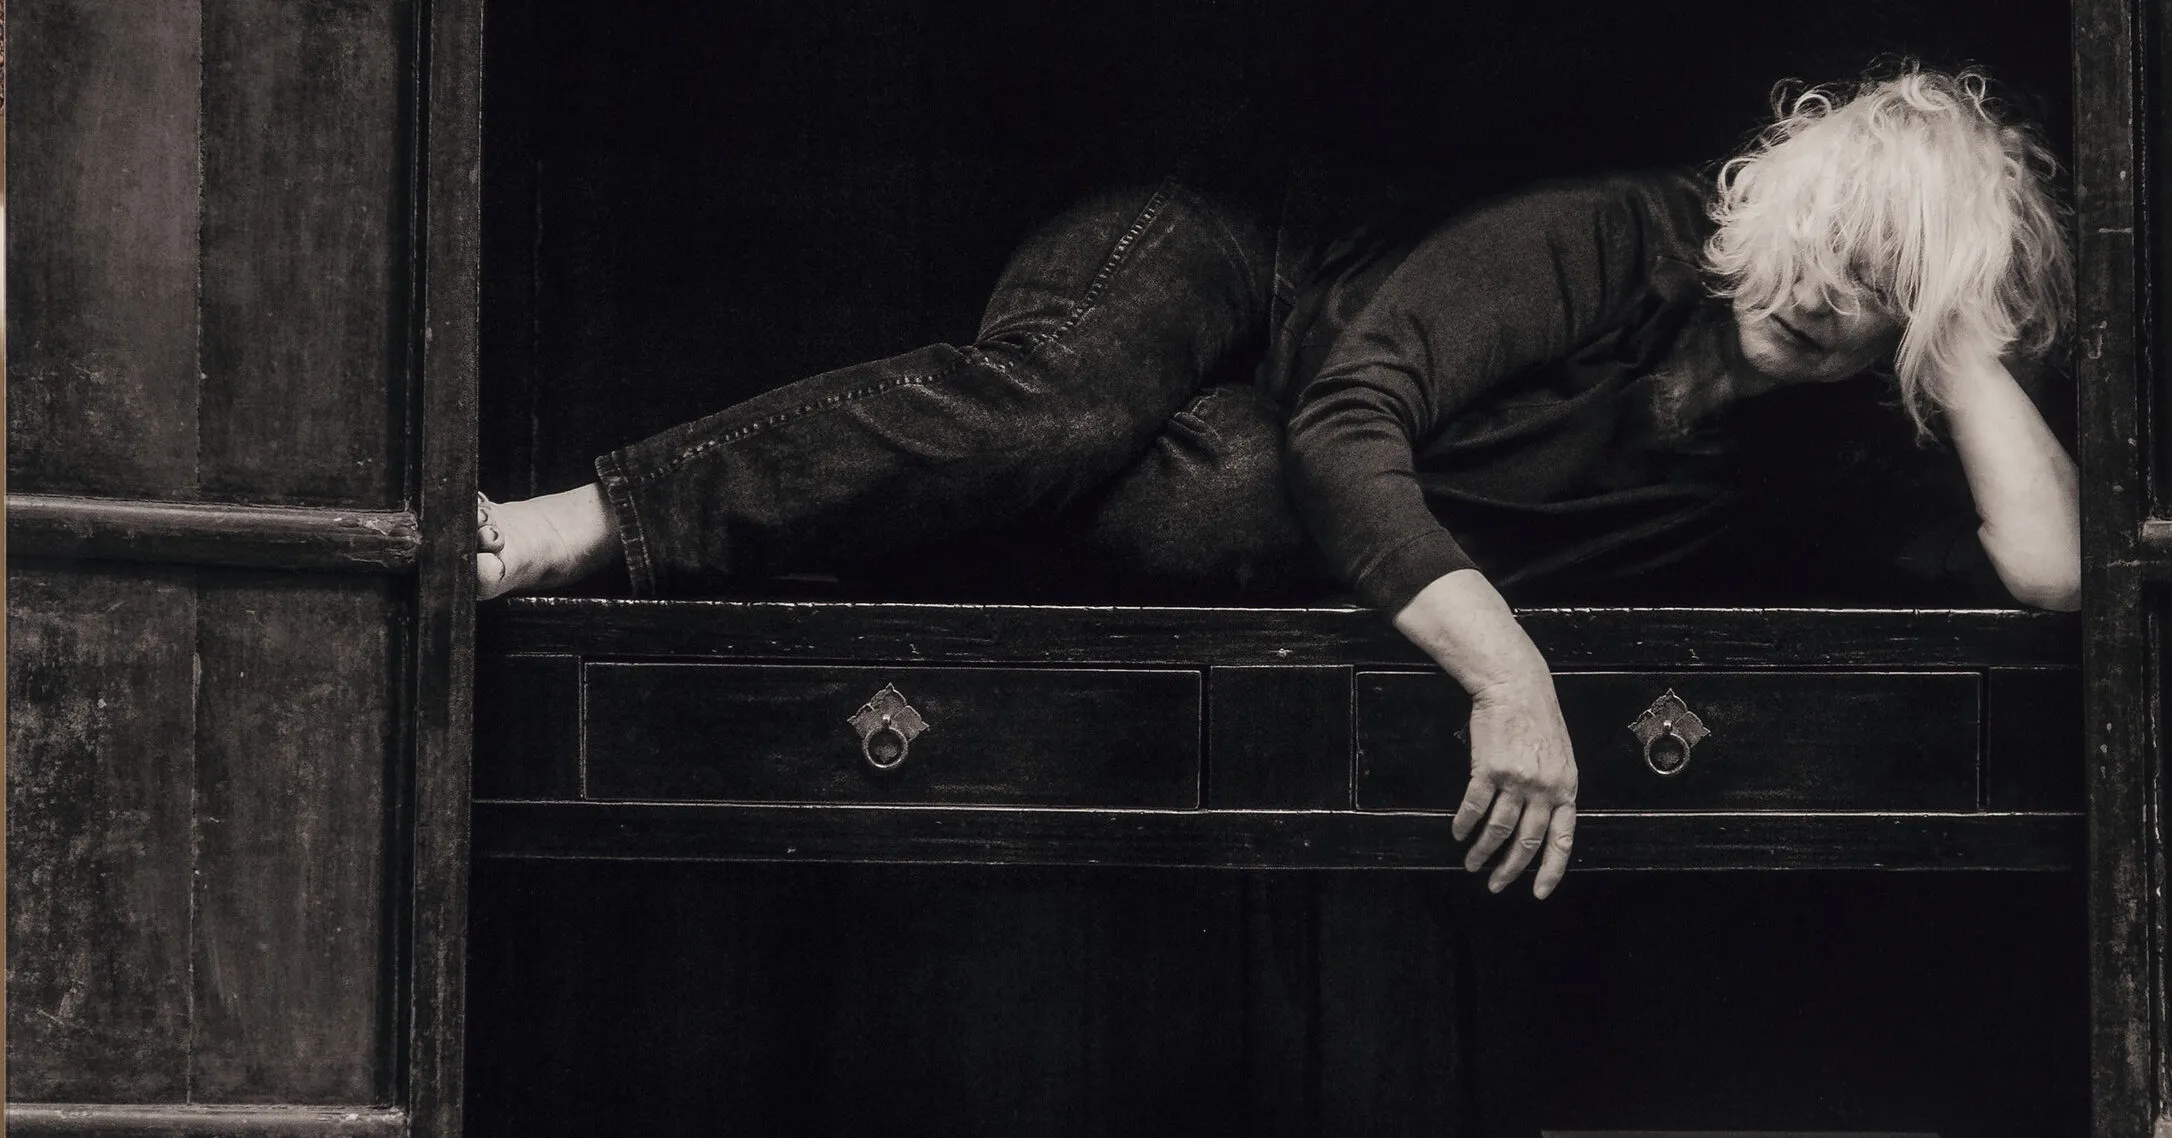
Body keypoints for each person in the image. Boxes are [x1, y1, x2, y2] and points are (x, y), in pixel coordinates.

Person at [474, 64, 2079, 902]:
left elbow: (2056, 573)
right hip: (1231, 263)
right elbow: (1355, 416)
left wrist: (1963, 358)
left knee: (1218, 504)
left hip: (1281, 463)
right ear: (1770, 201)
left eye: (1879, 281)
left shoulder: (1833, 437)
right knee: (1060, 412)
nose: (1820, 289)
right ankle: (590, 522)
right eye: (1822, 237)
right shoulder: (1618, 238)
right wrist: (1506, 668)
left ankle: (853, 514)